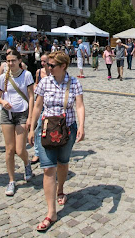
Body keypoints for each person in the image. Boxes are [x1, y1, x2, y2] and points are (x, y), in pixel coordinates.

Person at [28, 51, 85, 232]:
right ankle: (51, 212)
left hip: (67, 129)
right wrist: (31, 127)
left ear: (63, 67)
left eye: (52, 65)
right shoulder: (45, 82)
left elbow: (80, 106)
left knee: (63, 163)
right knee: (48, 168)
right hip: (46, 129)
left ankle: (61, 188)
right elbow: (37, 106)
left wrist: (82, 127)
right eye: (47, 65)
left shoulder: (74, 83)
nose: (48, 67)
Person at [0, 48, 34, 196]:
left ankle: (26, 163)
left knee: (20, 149)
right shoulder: (3, 78)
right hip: (7, 114)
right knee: (9, 149)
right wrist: (2, 101)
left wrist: (30, 117)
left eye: (13, 60)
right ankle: (11, 180)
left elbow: (31, 96)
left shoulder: (27, 75)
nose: (10, 63)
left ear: (19, 61)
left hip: (22, 113)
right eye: (8, 61)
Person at [31, 52, 51, 165]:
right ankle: (37, 153)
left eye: (45, 61)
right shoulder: (39, 72)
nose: (43, 64)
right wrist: (36, 87)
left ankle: (50, 149)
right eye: (42, 61)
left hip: (50, 104)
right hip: (40, 102)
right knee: (39, 127)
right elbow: (36, 83)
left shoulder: (54, 72)